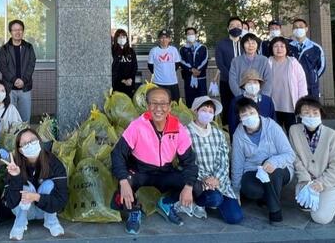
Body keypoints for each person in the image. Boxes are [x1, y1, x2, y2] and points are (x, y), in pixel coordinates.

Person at [110, 88, 198, 234]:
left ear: (170, 106)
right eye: (154, 103)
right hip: (140, 171)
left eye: (163, 104)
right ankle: (134, 211)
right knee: (120, 195)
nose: (158, 108)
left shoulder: (178, 128)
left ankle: (166, 203)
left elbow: (189, 162)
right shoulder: (137, 126)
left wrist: (188, 187)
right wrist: (123, 181)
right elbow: (117, 154)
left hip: (165, 172)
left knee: (196, 186)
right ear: (147, 105)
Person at [231, 98, 295, 224]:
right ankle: (268, 195)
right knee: (249, 189)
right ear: (239, 118)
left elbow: (290, 154)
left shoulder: (272, 127)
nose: (249, 116)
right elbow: (237, 163)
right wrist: (235, 191)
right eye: (244, 114)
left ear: (258, 112)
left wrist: (273, 161)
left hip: (279, 169)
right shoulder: (238, 134)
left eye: (252, 112)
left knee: (273, 173)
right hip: (253, 169)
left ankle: (275, 211)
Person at [186, 96, 243, 224]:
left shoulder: (218, 133)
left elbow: (223, 160)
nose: (207, 114)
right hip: (199, 181)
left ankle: (215, 197)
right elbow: (187, 162)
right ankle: (198, 202)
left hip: (219, 181)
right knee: (215, 198)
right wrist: (205, 179)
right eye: (204, 110)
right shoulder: (186, 132)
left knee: (235, 217)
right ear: (195, 111)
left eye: (211, 112)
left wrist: (216, 179)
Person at [3, 128, 67, 240]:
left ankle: (51, 221)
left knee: (49, 185)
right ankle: (19, 224)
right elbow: (10, 202)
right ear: (20, 150)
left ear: (39, 141)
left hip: (46, 209)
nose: (30, 144)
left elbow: (62, 199)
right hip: (25, 211)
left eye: (33, 140)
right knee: (25, 187)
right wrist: (16, 176)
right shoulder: (14, 166)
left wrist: (36, 197)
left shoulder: (53, 162)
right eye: (25, 143)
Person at [289, 96, 335, 224]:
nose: (311, 116)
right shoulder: (294, 130)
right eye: (306, 113)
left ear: (320, 114)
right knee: (305, 203)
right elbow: (295, 158)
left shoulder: (331, 134)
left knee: (320, 218)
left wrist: (321, 183)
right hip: (308, 180)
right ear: (299, 115)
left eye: (315, 113)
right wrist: (306, 179)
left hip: (330, 181)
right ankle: (324, 198)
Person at [0, 20, 37, 123]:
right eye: (14, 30)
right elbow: (3, 67)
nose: (17, 32)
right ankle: (12, 139)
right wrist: (14, 80)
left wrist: (23, 80)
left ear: (23, 31)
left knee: (25, 119)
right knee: (10, 119)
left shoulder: (28, 47)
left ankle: (25, 138)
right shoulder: (5, 49)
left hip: (25, 88)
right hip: (9, 88)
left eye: (20, 29)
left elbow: (31, 64)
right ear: (10, 32)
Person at [268, 37, 308, 132]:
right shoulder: (267, 62)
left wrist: (301, 103)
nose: (279, 49)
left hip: (290, 106)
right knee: (275, 133)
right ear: (271, 49)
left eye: (282, 46)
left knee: (293, 133)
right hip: (274, 106)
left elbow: (302, 83)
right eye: (276, 46)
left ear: (286, 48)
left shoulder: (293, 63)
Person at [228, 69, 276, 135]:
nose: (253, 85)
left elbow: (273, 122)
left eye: (255, 82)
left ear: (259, 85)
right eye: (249, 83)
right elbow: (232, 125)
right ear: (244, 86)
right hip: (244, 139)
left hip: (266, 138)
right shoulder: (236, 102)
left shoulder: (267, 100)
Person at [215, 17, 244, 123]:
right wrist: (232, 78)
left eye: (238, 26)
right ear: (228, 29)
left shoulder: (246, 43)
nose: (235, 28)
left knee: (242, 107)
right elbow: (220, 64)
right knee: (227, 107)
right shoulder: (221, 44)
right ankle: (227, 131)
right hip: (226, 81)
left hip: (243, 83)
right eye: (232, 26)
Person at [289, 18, 326, 98]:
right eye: (295, 27)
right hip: (293, 86)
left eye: (301, 27)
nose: (298, 29)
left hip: (311, 87)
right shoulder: (288, 47)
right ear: (292, 30)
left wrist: (312, 76)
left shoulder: (315, 48)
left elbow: (321, 67)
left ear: (306, 29)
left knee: (312, 108)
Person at [228, 33, 271, 97]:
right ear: (243, 45)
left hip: (260, 97)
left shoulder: (264, 60)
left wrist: (263, 96)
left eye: (253, 43)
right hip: (242, 98)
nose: (250, 45)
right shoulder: (235, 61)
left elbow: (268, 79)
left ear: (257, 45)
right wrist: (241, 95)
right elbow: (232, 81)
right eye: (247, 43)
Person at [147, 29, 183, 101]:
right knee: (159, 103)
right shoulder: (154, 50)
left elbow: (177, 64)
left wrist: (169, 72)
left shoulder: (174, 50)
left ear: (169, 39)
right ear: (158, 39)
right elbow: (150, 66)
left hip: (172, 82)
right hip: (158, 83)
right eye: (162, 37)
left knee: (175, 104)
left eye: (166, 37)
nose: (164, 40)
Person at [180, 27, 209, 107]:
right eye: (188, 34)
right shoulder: (182, 49)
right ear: (186, 36)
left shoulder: (202, 47)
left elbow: (205, 60)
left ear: (196, 35)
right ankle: (191, 118)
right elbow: (181, 61)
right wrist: (191, 69)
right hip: (188, 79)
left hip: (201, 78)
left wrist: (198, 70)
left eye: (192, 34)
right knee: (190, 101)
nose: (190, 35)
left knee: (203, 100)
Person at [111, 28, 138, 97]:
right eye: (120, 37)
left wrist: (131, 79)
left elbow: (134, 66)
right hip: (117, 85)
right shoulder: (113, 51)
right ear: (116, 38)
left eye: (124, 36)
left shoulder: (131, 51)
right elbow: (113, 68)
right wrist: (122, 80)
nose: (122, 38)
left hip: (130, 83)